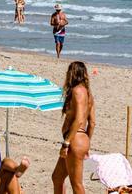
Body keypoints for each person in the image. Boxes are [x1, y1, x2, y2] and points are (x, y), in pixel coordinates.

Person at [51, 61, 95, 194]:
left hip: (74, 140)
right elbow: (92, 122)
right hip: (81, 139)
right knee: (57, 177)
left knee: (76, 184)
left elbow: (80, 118)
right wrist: (86, 142)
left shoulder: (77, 91)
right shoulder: (88, 94)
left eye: (69, 72)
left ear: (73, 74)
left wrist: (66, 143)